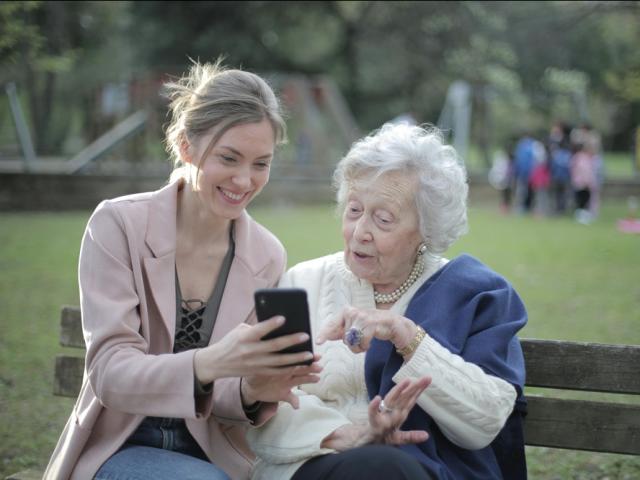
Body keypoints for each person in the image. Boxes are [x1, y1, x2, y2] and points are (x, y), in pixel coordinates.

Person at [43, 60, 322, 480]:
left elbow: (227, 392)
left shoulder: (266, 253)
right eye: (229, 158)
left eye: (261, 164)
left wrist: (251, 389)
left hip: (217, 456)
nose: (244, 180)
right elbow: (110, 372)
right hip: (120, 446)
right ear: (185, 145)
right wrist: (208, 362)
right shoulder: (118, 225)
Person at [247, 123, 528, 480]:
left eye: (383, 219)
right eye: (353, 210)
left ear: (426, 230)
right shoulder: (302, 282)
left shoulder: (475, 295)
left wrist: (407, 337)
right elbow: (264, 400)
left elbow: (486, 420)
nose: (360, 231)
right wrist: (346, 435)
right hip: (309, 465)